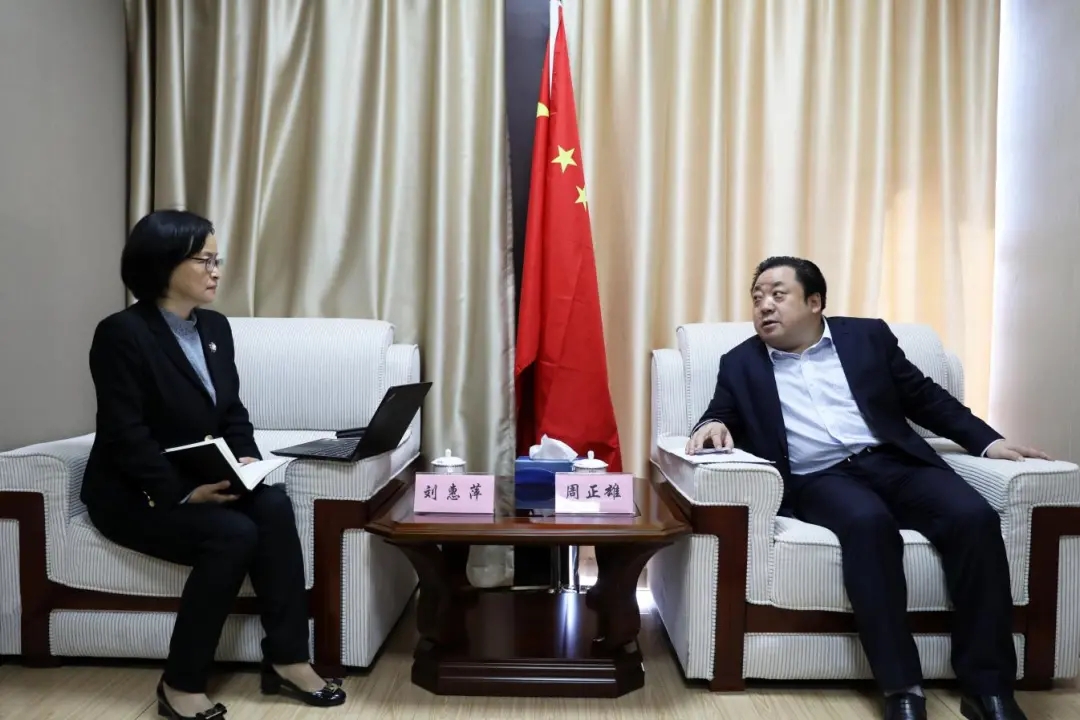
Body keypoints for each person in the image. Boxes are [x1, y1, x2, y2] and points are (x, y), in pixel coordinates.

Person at [686, 257, 1046, 720]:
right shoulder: (740, 363)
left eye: (777, 294)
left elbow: (925, 397)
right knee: (869, 525)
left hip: (896, 462)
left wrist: (987, 442)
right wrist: (712, 424)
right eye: (757, 299)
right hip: (821, 478)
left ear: (814, 302)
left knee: (974, 518)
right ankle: (903, 688)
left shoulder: (866, 337)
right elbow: (720, 412)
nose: (764, 307)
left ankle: (989, 690)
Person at [81, 210, 346, 720]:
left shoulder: (215, 328)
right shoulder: (121, 334)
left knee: (273, 505)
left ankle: (288, 659)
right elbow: (124, 432)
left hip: (202, 476)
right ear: (164, 263)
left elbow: (231, 413)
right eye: (204, 260)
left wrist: (246, 461)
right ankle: (179, 683)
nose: (216, 271)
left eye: (217, 260)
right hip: (135, 495)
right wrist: (180, 494)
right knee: (232, 535)